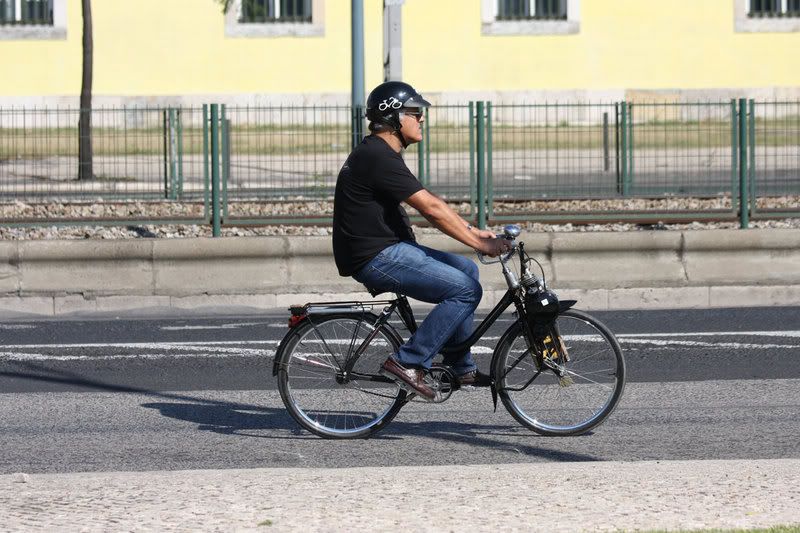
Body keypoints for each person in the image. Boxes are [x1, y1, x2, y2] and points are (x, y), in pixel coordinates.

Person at [332, 81, 512, 400]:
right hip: (376, 257)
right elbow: (430, 208)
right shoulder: (377, 156)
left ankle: (459, 364)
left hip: (389, 249)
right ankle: (408, 361)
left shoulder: (381, 153)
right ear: (394, 117)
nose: (422, 119)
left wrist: (473, 232)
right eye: (415, 112)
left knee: (467, 272)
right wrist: (480, 244)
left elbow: (433, 202)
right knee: (465, 290)